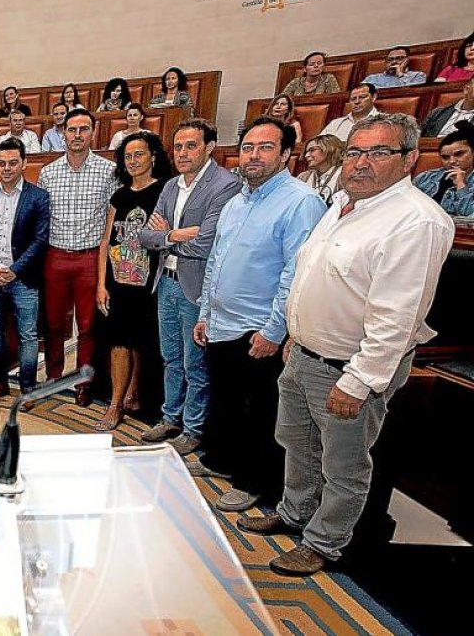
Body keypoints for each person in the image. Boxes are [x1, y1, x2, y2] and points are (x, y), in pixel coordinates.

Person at [239, 114, 455, 577]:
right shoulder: (342, 203)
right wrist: (294, 337)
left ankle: (324, 542)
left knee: (344, 464)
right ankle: (295, 513)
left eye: (379, 153)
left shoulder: (415, 222)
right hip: (304, 354)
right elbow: (311, 276)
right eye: (355, 152)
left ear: (409, 159)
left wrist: (359, 381)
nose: (361, 163)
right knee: (296, 442)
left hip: (349, 367)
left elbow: (396, 317)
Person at [194, 117, 326, 513]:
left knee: (261, 413)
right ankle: (222, 461)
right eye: (248, 147)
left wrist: (274, 330)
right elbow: (216, 260)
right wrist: (204, 312)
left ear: (287, 154)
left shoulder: (301, 202)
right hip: (222, 322)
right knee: (229, 402)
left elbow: (295, 273)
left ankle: (254, 482)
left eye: (265, 147)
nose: (254, 155)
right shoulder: (237, 201)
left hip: (258, 328)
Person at [138, 119, 242, 455]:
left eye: (191, 145)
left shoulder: (225, 185)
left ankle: (194, 427)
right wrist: (176, 235)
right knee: (170, 358)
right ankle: (170, 417)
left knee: (194, 362)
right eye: (178, 146)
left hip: (195, 286)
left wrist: (166, 236)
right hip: (165, 284)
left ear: (209, 147)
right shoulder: (170, 187)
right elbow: (145, 237)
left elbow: (205, 244)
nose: (182, 153)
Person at [37, 109, 120, 403]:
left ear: (93, 133)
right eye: (72, 130)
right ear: (63, 134)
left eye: (83, 129)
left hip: (90, 258)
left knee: (87, 325)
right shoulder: (48, 173)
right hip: (56, 256)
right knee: (54, 323)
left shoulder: (108, 171)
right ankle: (54, 377)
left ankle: (85, 382)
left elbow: (114, 216)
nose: (77, 135)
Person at [93, 132, 172, 430]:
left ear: (153, 156)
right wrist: (100, 283)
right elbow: (105, 242)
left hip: (150, 282)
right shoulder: (120, 195)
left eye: (139, 154)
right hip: (118, 281)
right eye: (127, 156)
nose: (133, 161)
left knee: (140, 341)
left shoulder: (166, 191)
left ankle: (134, 393)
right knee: (119, 342)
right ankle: (114, 405)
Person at [0, 137, 49, 406]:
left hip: (24, 279)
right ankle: (0, 382)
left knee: (28, 335)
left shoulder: (38, 197)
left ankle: (27, 388)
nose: (7, 168)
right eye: (2, 163)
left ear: (24, 164)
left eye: (13, 163)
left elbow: (40, 240)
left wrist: (15, 270)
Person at [414, 121, 474, 216]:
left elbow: (469, 217)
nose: (452, 161)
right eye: (445, 157)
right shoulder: (425, 178)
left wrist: (461, 185)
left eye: (459, 154)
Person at [296, 134, 345, 204]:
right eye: (306, 152)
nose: (306, 156)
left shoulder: (344, 175)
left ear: (330, 149)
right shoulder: (303, 177)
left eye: (312, 150)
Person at [362, 46, 426, 88]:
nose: (394, 62)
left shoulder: (418, 76)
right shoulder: (371, 78)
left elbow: (410, 92)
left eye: (399, 58)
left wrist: (400, 75)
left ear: (407, 61)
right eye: (390, 59)